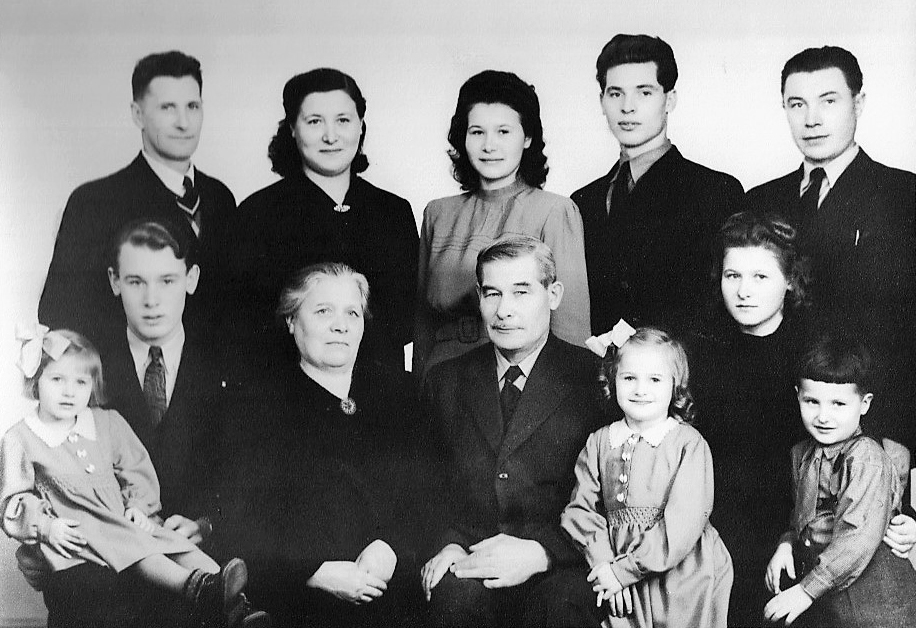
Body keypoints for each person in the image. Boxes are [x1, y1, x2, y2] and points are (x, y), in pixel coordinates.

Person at [17, 219, 266, 628]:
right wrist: (42, 533)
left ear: (191, 279)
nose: (152, 299)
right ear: (115, 282)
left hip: (194, 545)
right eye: (136, 281)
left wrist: (209, 521)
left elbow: (251, 467)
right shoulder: (80, 370)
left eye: (167, 280)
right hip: (97, 577)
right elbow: (38, 467)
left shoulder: (231, 363)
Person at [1, 328, 265, 628]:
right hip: (80, 533)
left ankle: (236, 610)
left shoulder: (105, 422)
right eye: (57, 379)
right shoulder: (21, 436)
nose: (69, 391)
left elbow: (136, 468)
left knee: (177, 544)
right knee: (140, 551)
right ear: (36, 381)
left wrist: (138, 506)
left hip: (122, 520)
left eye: (80, 382)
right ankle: (199, 589)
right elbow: (14, 499)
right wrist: (47, 527)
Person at [227, 263, 433, 627]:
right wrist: (314, 572)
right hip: (301, 599)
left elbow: (431, 493)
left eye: (352, 313)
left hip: (393, 589)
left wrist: (392, 549)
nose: (341, 324)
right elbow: (244, 517)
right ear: (291, 320)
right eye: (323, 311)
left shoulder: (400, 394)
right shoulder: (258, 406)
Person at [421, 236, 602, 628]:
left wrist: (543, 552)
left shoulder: (594, 380)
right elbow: (426, 489)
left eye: (521, 292)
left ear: (553, 294)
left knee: (561, 605)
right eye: (492, 294)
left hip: (561, 562)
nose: (504, 311)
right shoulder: (445, 381)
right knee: (452, 596)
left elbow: (614, 499)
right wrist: (449, 543)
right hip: (476, 552)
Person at [745, 46, 916, 453]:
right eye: (797, 103)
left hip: (873, 432)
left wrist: (904, 437)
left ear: (858, 103)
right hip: (771, 428)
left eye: (829, 101)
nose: (812, 119)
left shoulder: (904, 197)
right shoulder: (759, 201)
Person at [38, 50, 236, 353]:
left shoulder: (219, 197)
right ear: (137, 113)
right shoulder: (94, 202)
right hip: (132, 389)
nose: (184, 122)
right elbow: (61, 315)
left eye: (192, 106)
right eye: (167, 107)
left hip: (212, 387)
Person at [228, 68, 417, 369]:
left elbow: (404, 322)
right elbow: (245, 327)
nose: (331, 136)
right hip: (286, 393)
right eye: (315, 121)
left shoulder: (393, 212)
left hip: (380, 391)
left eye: (343, 120)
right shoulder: (258, 213)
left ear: (361, 125)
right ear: (292, 128)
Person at [414, 70, 590, 379]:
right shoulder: (437, 214)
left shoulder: (555, 211)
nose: (489, 146)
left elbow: (571, 331)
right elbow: (423, 326)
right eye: (477, 132)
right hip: (441, 379)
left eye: (504, 132)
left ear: (528, 138)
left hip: (513, 380)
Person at [571, 34, 744, 336]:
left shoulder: (715, 191)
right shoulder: (583, 200)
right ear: (601, 102)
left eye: (644, 93)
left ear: (670, 100)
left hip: (684, 373)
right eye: (615, 94)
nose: (627, 107)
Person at [562, 326, 732, 627]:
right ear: (613, 382)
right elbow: (579, 510)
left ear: (675, 386)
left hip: (682, 572)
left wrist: (624, 570)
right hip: (616, 560)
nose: (641, 390)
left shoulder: (687, 443)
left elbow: (684, 524)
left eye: (655, 379)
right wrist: (605, 565)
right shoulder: (600, 441)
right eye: (629, 378)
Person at [764, 336, 916, 626]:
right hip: (832, 597)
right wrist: (786, 544)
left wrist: (805, 592)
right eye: (812, 401)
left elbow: (857, 538)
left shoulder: (866, 458)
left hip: (878, 604)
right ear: (798, 395)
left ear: (864, 404)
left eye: (838, 404)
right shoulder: (801, 454)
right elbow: (804, 516)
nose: (823, 416)